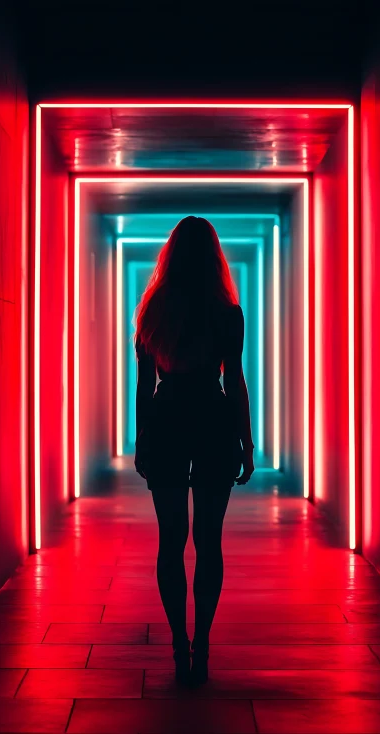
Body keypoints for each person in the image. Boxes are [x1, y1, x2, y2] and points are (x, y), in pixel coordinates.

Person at [134, 216, 254, 686]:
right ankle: (202, 642)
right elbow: (234, 380)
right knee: (209, 542)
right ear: (213, 256)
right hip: (211, 415)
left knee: (170, 541)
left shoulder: (154, 310)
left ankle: (178, 644)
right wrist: (245, 439)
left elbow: (144, 388)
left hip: (167, 418)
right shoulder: (227, 312)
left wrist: (142, 440)